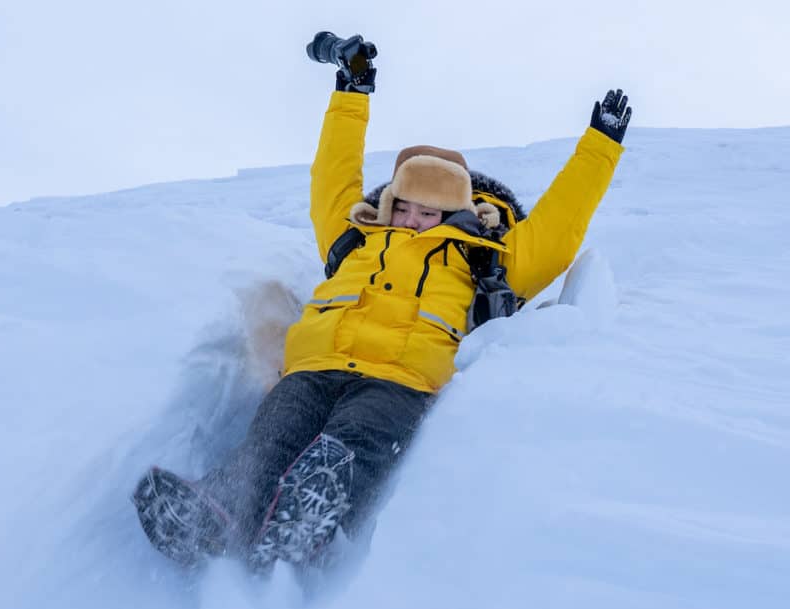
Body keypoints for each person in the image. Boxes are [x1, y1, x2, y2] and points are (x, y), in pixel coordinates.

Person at [133, 32, 632, 572]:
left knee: (354, 445)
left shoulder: (486, 257)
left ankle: (307, 521)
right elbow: (332, 175)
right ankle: (222, 512)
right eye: (406, 207)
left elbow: (559, 230)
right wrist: (353, 92)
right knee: (272, 436)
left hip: (402, 377)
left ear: (456, 216)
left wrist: (600, 146)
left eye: (429, 213)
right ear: (390, 202)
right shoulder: (353, 236)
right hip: (314, 365)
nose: (413, 220)